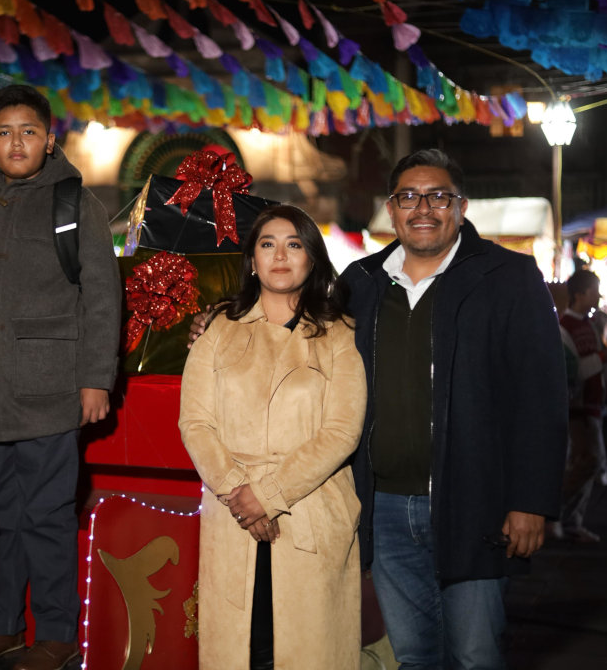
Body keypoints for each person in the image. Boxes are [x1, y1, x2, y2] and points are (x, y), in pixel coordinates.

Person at [189, 148, 566, 668]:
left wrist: (531, 500)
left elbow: (541, 395)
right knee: (412, 655)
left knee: (477, 654)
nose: (423, 208)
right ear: (391, 208)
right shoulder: (361, 284)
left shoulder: (508, 277)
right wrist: (215, 316)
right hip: (384, 506)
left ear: (462, 206)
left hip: (472, 500)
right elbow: (297, 316)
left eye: (439, 196)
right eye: (409, 196)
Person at [0, 85, 121, 670]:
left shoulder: (75, 204)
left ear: (49, 138)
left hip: (51, 392)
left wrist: (95, 380)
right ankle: (1, 627)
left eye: (28, 131)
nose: (16, 143)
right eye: (4, 132)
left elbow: (102, 299)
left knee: (48, 518)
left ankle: (56, 633)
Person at [179, 205, 366, 670]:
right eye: (268, 244)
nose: (280, 256)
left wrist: (267, 495)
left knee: (307, 650)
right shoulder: (218, 330)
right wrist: (238, 495)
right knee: (244, 648)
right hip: (232, 515)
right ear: (252, 259)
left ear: (312, 258)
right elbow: (195, 423)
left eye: (294, 244)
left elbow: (342, 432)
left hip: (310, 511)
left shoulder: (340, 334)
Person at [552, 269, 607, 543]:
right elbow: (574, 369)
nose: (597, 296)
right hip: (577, 407)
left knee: (587, 462)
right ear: (580, 294)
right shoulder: (565, 327)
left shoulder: (586, 325)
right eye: (594, 291)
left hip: (589, 404)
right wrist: (606, 356)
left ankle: (568, 520)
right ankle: (553, 512)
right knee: (587, 461)